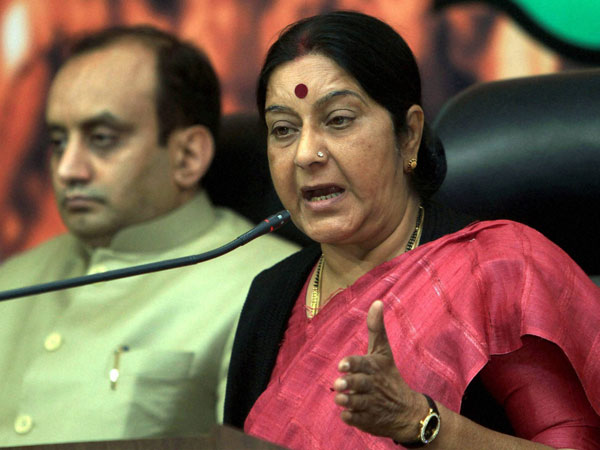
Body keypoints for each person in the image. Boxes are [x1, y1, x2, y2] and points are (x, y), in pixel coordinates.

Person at [224, 11, 600, 449]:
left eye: (339, 120)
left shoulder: (493, 270)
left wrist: (422, 422)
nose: (305, 154)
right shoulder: (271, 295)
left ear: (409, 135)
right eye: (284, 129)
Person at [0, 25, 298, 446]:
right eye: (58, 141)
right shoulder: (14, 279)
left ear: (187, 156)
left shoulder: (270, 287)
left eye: (101, 139)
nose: (67, 169)